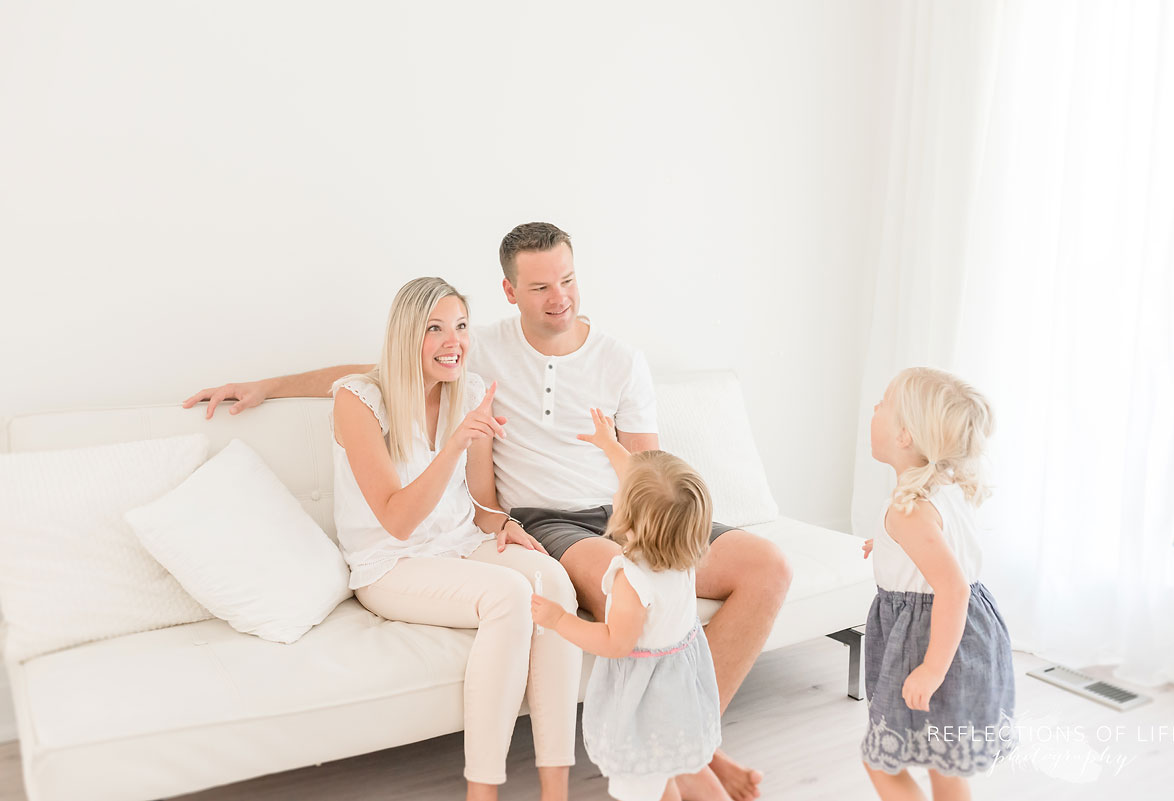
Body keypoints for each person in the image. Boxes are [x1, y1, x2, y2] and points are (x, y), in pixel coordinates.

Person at [183, 222, 792, 801]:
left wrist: (634, 503)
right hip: (550, 521)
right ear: (511, 292)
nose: (561, 299)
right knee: (639, 592)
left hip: (624, 514)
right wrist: (268, 385)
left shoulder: (619, 361)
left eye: (569, 280)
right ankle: (686, 763)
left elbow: (650, 476)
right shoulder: (479, 354)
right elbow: (377, 375)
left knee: (769, 568)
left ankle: (693, 745)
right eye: (541, 287)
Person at [327, 276, 580, 801]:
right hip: (391, 565)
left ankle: (556, 789)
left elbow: (482, 504)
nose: (454, 341)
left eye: (461, 326)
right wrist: (456, 443)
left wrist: (505, 524)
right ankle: (481, 793)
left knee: (551, 582)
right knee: (508, 595)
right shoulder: (358, 401)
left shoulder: (468, 391)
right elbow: (397, 521)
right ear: (406, 336)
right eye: (435, 328)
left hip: (460, 544)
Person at [532, 409, 724, 801]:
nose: (614, 497)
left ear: (631, 521)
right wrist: (610, 446)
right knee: (664, 775)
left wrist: (559, 620)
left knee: (638, 788)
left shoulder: (632, 580)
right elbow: (643, 486)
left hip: (645, 705)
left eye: (618, 498)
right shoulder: (683, 557)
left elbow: (614, 642)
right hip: (680, 694)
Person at [859, 367, 1016, 800]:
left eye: (883, 403)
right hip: (967, 633)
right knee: (942, 761)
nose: (874, 409)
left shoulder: (908, 511)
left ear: (905, 435)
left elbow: (953, 588)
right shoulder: (946, 487)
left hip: (932, 640)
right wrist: (891, 546)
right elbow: (945, 546)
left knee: (881, 762)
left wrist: (930, 669)